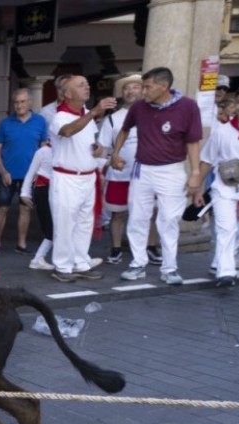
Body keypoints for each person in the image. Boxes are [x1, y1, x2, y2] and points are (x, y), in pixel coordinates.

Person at [112, 67, 203, 285]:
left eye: (147, 86)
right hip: (142, 168)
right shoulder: (139, 107)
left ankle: (169, 268)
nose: (143, 91)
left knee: (169, 219)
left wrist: (196, 173)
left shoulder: (188, 106)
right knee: (137, 216)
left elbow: (193, 142)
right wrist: (115, 154)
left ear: (164, 87)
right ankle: (138, 263)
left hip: (171, 170)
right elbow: (125, 129)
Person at [48, 76, 117, 283]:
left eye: (87, 84)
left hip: (87, 178)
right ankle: (62, 266)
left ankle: (80, 262)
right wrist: (95, 112)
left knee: (84, 223)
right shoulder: (59, 116)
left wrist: (97, 150)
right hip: (67, 178)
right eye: (80, 85)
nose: (86, 87)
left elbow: (88, 141)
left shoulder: (87, 114)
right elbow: (68, 131)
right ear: (67, 94)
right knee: (65, 223)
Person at [198, 84, 239, 287]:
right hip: (223, 188)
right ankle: (226, 272)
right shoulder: (221, 131)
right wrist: (197, 186)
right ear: (234, 104)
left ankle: (219, 262)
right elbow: (207, 159)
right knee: (225, 228)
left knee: (238, 230)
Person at [0, 88, 47, 254]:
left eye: (22, 101)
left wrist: (39, 171)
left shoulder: (40, 122)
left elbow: (44, 149)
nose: (19, 105)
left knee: (25, 208)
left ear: (30, 103)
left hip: (29, 175)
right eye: (16, 102)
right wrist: (2, 172)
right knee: (2, 208)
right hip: (7, 174)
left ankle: (21, 244)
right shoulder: (5, 123)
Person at [97, 74, 143, 265]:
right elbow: (102, 149)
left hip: (145, 174)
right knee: (118, 213)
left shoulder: (152, 114)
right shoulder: (112, 119)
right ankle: (116, 248)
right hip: (120, 175)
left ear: (142, 89)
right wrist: (107, 165)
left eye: (135, 87)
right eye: (126, 88)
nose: (131, 91)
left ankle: (150, 247)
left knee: (147, 213)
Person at [21, 142, 55, 270]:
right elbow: (31, 172)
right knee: (51, 227)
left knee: (59, 227)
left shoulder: (67, 149)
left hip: (59, 190)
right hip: (43, 189)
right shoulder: (43, 151)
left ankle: (38, 258)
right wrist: (25, 193)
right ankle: (38, 259)